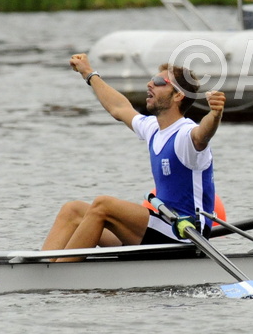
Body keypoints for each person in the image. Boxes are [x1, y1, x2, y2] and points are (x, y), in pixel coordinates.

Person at [41, 53, 225, 261]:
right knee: (72, 210)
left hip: (185, 235)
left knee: (104, 205)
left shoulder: (185, 135)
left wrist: (215, 115)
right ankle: (41, 268)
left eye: (158, 82)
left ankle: (61, 276)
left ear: (177, 95)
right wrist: (89, 73)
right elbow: (119, 108)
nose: (149, 84)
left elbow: (203, 135)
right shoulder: (153, 128)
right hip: (160, 227)